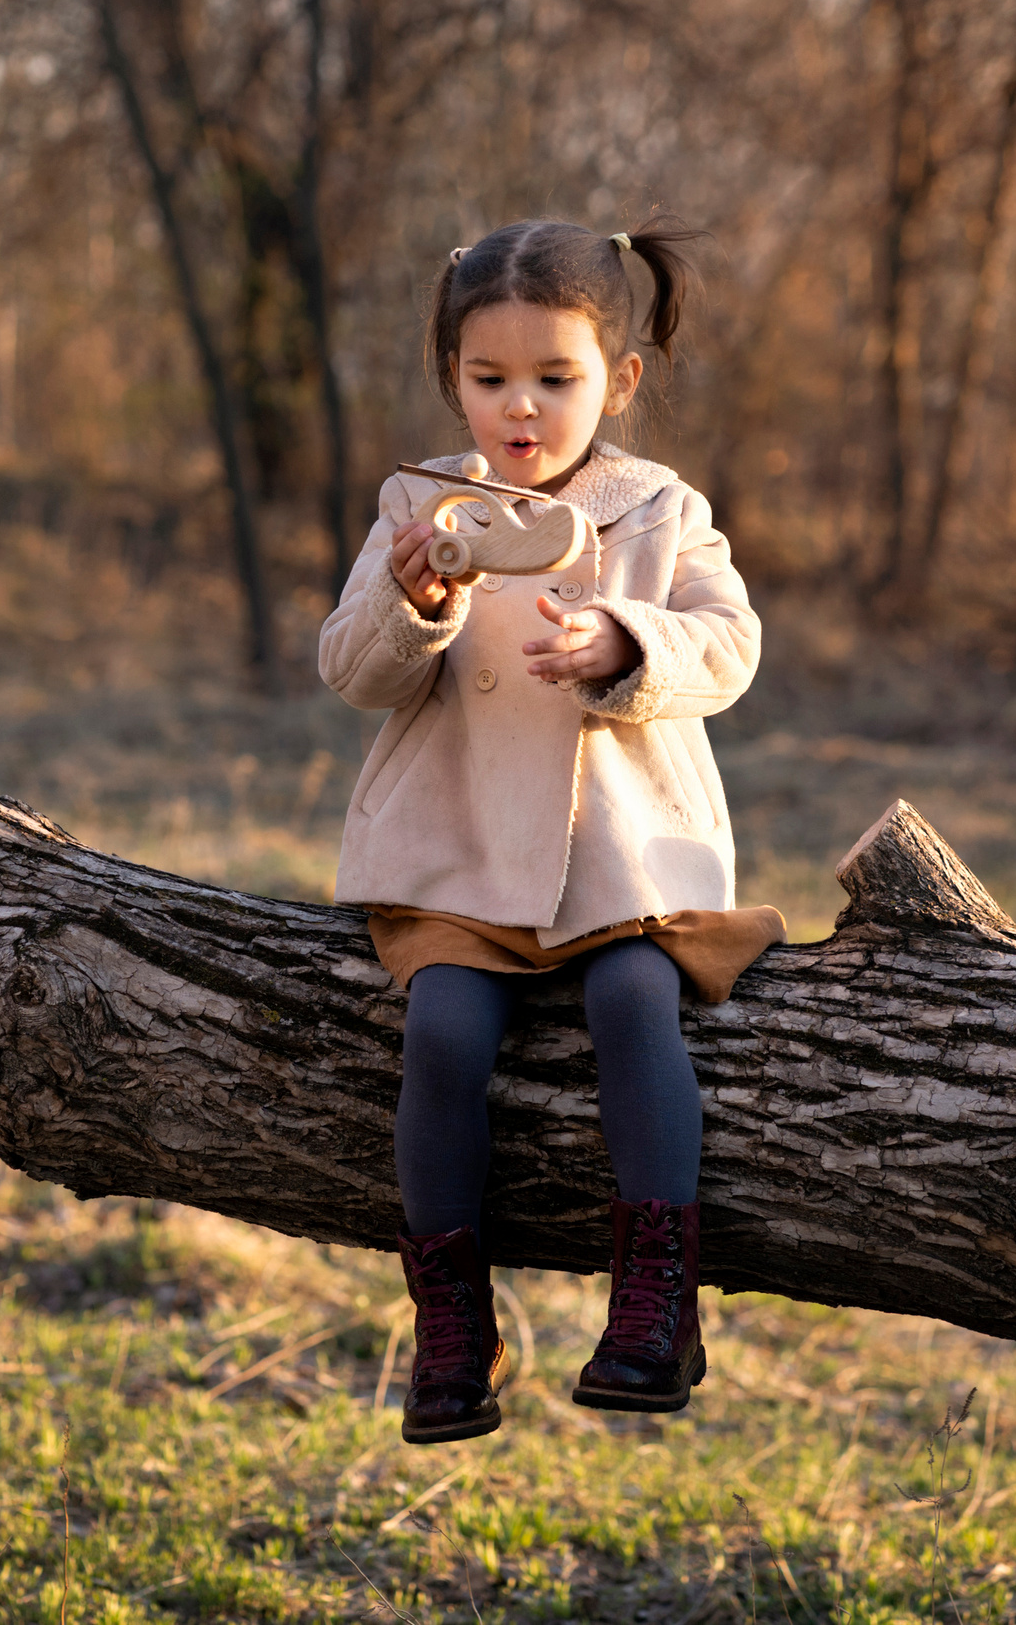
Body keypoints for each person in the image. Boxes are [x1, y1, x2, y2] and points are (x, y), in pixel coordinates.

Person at [317, 215, 785, 1444]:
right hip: (458, 852)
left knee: (636, 1005)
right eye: (489, 380)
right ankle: (452, 1327)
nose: (519, 409)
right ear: (451, 379)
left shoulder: (658, 509)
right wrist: (412, 602)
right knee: (445, 1037)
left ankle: (655, 1305)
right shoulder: (421, 503)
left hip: (622, 855)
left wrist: (627, 642)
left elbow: (731, 646)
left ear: (618, 382)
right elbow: (352, 671)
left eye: (555, 379)